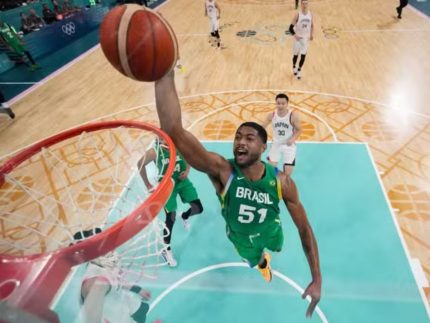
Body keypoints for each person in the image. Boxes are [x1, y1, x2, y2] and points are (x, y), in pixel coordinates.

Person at [153, 70, 322, 318]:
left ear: (264, 147)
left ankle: (268, 254)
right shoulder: (223, 170)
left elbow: (305, 229)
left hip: (273, 231)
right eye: (237, 137)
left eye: (249, 138)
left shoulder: (281, 181)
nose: (240, 142)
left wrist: (317, 278)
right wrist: (163, 74)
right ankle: (262, 264)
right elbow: (174, 131)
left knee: (277, 246)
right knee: (255, 261)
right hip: (241, 241)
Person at [137, 138, 204, 267]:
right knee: (171, 218)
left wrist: (187, 170)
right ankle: (166, 250)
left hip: (182, 183)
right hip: (167, 186)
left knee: (198, 208)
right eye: (162, 136)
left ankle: (185, 216)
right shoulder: (155, 152)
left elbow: (190, 155)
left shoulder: (180, 144)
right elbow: (139, 164)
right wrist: (148, 184)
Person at [76, 229, 152, 323]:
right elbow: (96, 288)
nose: (110, 249)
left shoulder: (107, 266)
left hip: (120, 300)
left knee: (143, 308)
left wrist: (137, 289)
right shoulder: (95, 282)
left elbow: (115, 280)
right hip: (115, 316)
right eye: (102, 245)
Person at [262, 93, 301, 176]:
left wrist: (293, 139)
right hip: (276, 144)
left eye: (283, 103)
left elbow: (299, 130)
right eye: (278, 103)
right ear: (276, 103)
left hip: (289, 145)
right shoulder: (271, 115)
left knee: (287, 175)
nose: (280, 106)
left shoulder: (293, 116)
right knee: (271, 171)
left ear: (287, 104)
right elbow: (261, 128)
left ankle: (284, 187)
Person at [289, 0, 314, 80]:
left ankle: (299, 70)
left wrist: (311, 34)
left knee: (303, 56)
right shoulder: (297, 15)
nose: (305, 5)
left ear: (308, 4)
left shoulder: (311, 14)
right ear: (301, 4)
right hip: (298, 39)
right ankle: (294, 66)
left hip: (305, 39)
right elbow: (290, 28)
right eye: (303, 3)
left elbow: (312, 26)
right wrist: (295, 35)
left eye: (306, 3)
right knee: (295, 55)